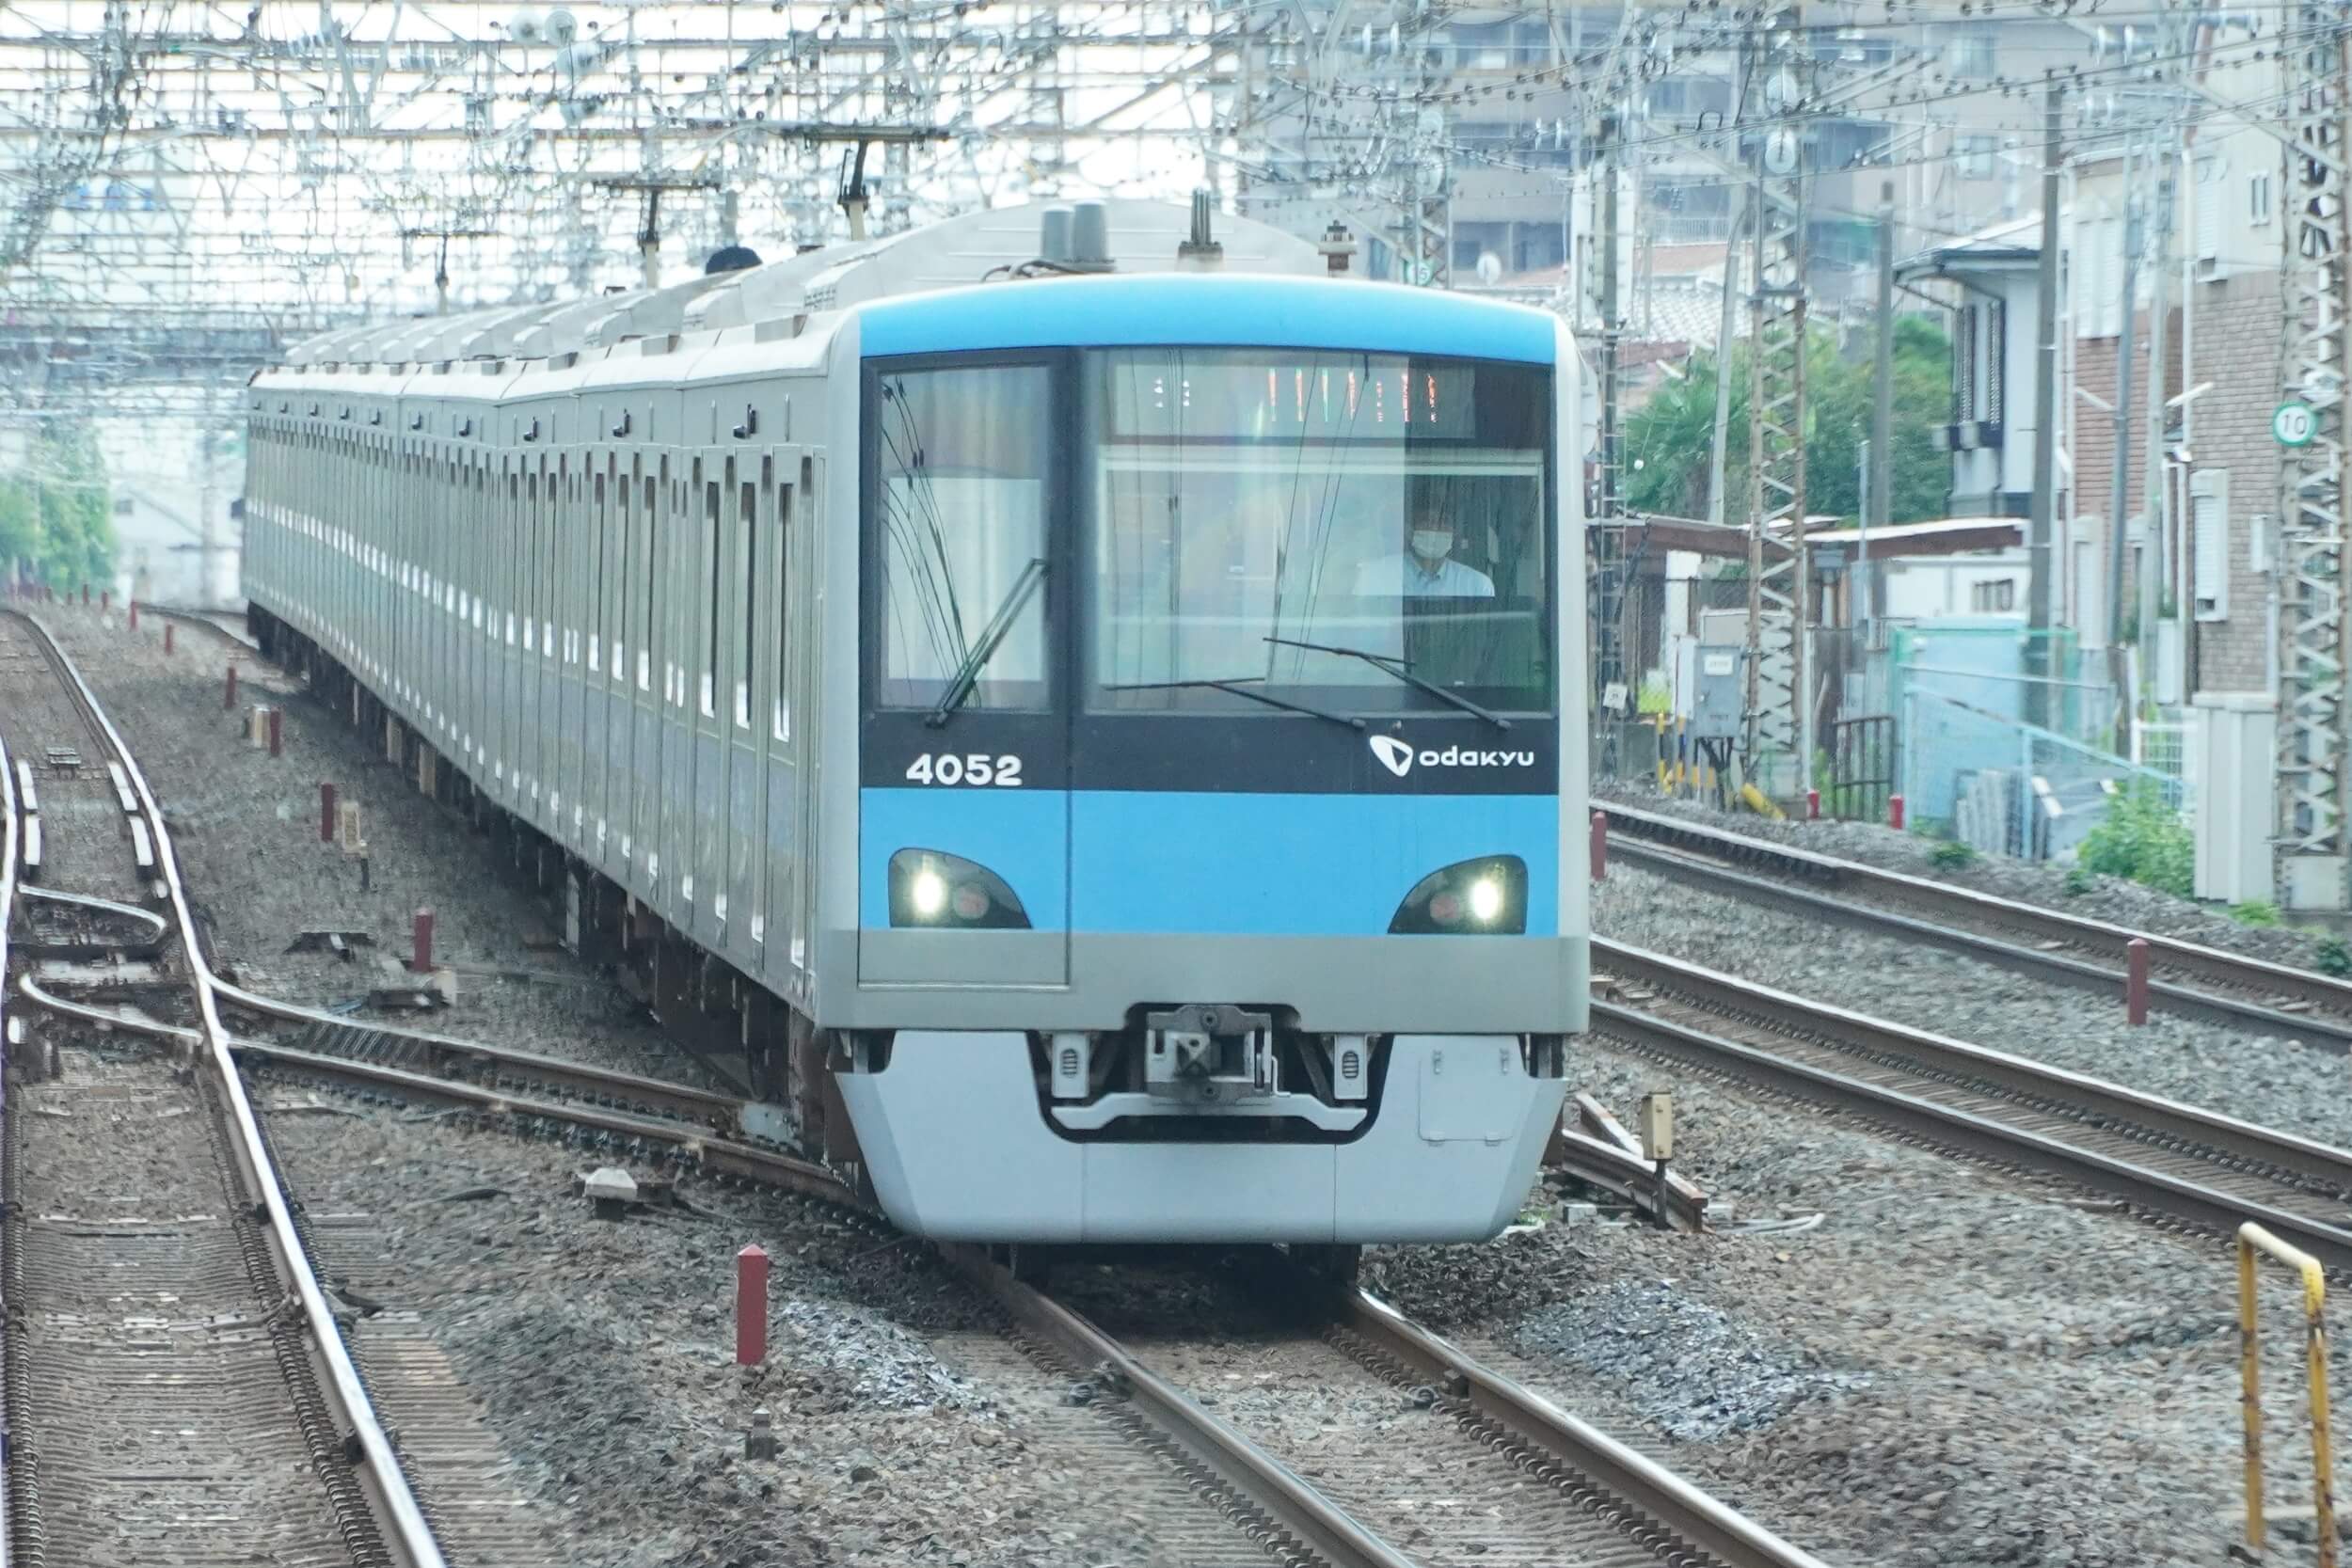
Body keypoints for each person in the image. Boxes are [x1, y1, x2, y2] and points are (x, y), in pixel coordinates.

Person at [1351, 507, 1494, 597]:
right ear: (1409, 531)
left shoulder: (1476, 585)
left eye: (1443, 522)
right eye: (1426, 522)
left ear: (1453, 532)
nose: (1434, 529)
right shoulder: (1375, 575)